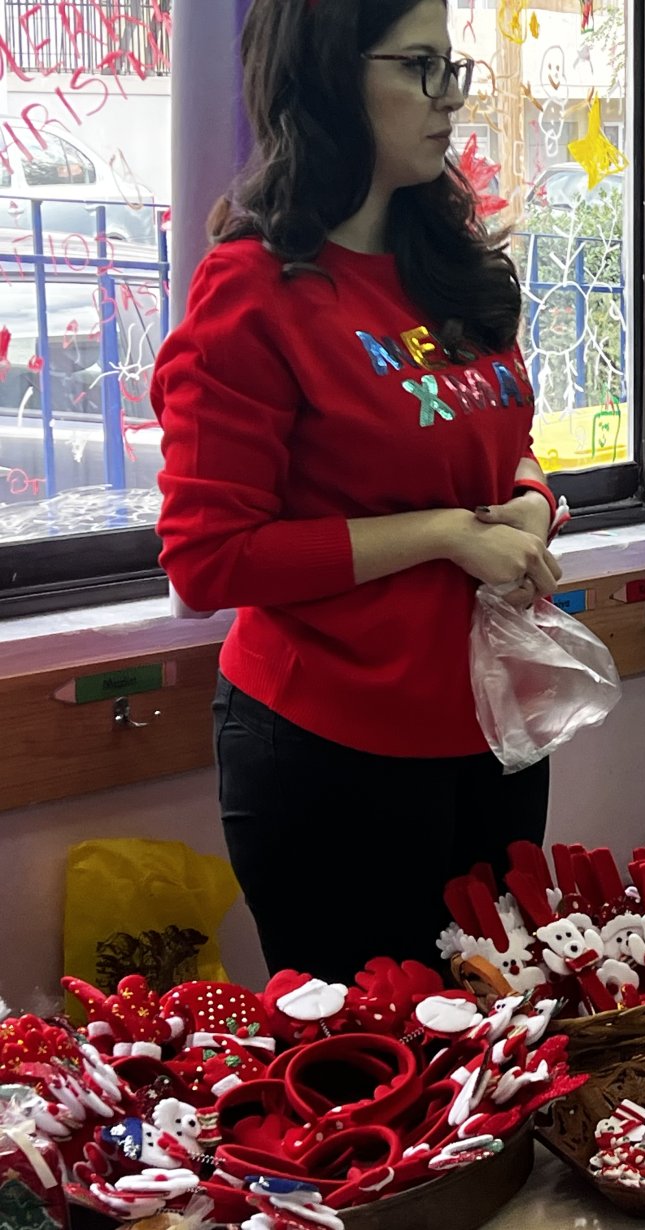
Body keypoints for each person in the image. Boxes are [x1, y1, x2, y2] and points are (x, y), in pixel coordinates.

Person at [153, 0, 562, 983]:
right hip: (330, 751)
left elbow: (506, 443)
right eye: (418, 67)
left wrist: (531, 503)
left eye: (451, 68)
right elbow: (207, 558)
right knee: (369, 1056)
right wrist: (442, 535)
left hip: (491, 727)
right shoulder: (255, 289)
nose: (447, 98)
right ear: (330, 77)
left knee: (498, 1036)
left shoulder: (448, 264)